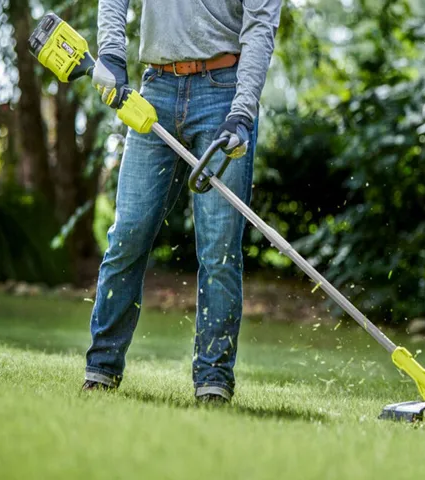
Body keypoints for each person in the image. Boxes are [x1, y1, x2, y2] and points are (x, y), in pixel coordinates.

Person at [82, 0, 282, 404]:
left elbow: (260, 27)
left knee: (219, 248)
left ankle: (213, 380)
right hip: (155, 88)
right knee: (129, 234)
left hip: (223, 96)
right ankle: (101, 369)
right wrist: (112, 53)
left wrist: (242, 113)